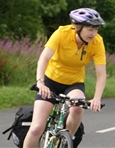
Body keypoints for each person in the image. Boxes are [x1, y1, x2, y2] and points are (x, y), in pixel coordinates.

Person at [23, 8, 107, 148]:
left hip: (74, 83)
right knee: (37, 128)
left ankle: (65, 140)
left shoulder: (97, 42)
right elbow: (44, 58)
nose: (93, 34)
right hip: (50, 81)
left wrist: (97, 98)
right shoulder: (61, 33)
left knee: (77, 108)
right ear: (77, 27)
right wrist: (40, 82)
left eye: (96, 29)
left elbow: (101, 74)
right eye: (90, 29)